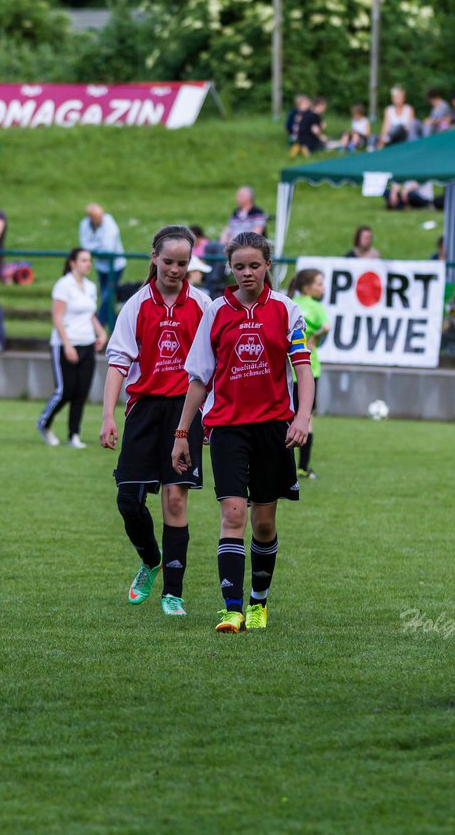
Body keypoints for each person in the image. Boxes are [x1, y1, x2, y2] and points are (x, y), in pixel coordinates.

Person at [172, 231, 314, 633]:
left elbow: (303, 368)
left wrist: (302, 417)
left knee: (264, 523)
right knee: (233, 513)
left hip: (273, 429)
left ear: (268, 265)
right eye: (239, 266)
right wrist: (182, 433)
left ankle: (258, 603)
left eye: (254, 265)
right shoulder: (215, 311)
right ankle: (232, 608)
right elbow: (199, 378)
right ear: (229, 268)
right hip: (227, 428)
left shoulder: (288, 310)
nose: (247, 273)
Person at [100, 226, 212, 616]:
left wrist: (209, 415)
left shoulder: (202, 304)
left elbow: (213, 366)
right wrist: (107, 416)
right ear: (153, 258)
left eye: (183, 263)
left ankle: (173, 594)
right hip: (143, 409)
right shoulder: (136, 305)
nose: (175, 269)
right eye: (168, 261)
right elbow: (118, 362)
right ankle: (151, 558)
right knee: (128, 500)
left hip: (184, 409)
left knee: (175, 499)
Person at [38, 248, 109, 449]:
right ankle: (44, 422)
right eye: (84, 260)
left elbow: (89, 314)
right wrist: (67, 345)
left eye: (90, 260)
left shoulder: (90, 286)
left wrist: (101, 333)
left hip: (87, 343)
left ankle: (74, 434)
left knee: (81, 392)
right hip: (65, 344)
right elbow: (57, 317)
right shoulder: (63, 285)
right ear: (73, 263)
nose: (88, 264)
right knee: (65, 391)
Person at [287, 269, 329, 480]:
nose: (322, 288)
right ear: (307, 287)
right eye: (319, 284)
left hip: (287, 370)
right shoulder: (316, 307)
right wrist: (313, 336)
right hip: (309, 369)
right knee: (306, 418)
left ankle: (282, 467)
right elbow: (327, 327)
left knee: (284, 418)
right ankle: (303, 467)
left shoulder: (289, 303)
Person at [78, 203, 127, 330]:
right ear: (90, 217)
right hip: (101, 267)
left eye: (101, 216)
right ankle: (113, 327)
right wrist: (97, 247)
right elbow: (84, 245)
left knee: (107, 296)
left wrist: (92, 249)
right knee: (107, 297)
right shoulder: (85, 224)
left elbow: (107, 248)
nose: (100, 219)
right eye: (96, 217)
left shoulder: (109, 224)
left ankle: (98, 326)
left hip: (115, 266)